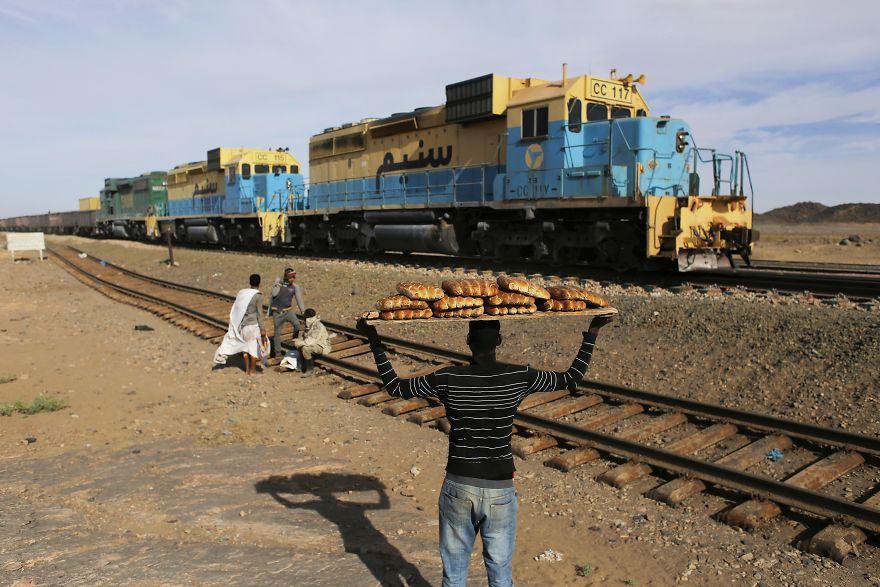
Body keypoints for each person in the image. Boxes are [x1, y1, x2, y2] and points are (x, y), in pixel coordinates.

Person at [357, 314, 614, 587]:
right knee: (500, 573)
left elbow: (395, 386)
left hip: (459, 486)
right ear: (499, 340)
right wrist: (593, 331)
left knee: (454, 573)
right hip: (500, 490)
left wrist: (374, 339)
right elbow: (572, 378)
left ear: (468, 341)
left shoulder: (447, 377)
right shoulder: (518, 376)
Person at [214, 274, 266, 375]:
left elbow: (237, 309)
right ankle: (252, 370)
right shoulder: (258, 296)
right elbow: (260, 314)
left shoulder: (243, 293)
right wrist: (262, 328)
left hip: (243, 326)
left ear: (250, 282)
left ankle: (247, 370)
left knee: (245, 349)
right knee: (253, 349)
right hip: (253, 325)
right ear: (259, 283)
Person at [268, 267, 306, 358]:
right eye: (292, 277)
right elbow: (274, 294)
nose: (293, 279)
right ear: (287, 277)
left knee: (297, 325)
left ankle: (294, 343)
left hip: (288, 311)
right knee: (277, 333)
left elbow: (299, 299)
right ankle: (277, 353)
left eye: (294, 277)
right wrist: (276, 284)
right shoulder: (278, 285)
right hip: (277, 313)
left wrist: (303, 311)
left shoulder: (295, 287)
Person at [292, 308, 331, 375]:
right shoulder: (310, 325)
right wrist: (298, 340)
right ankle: (302, 365)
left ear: (308, 318)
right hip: (314, 344)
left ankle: (309, 369)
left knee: (305, 348)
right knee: (300, 346)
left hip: (322, 346)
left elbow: (311, 341)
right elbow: (305, 336)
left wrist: (299, 343)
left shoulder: (318, 326)